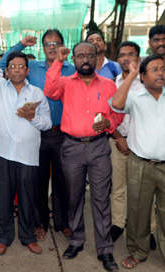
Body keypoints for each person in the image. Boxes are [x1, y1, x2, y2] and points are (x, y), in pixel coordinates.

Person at [44, 42, 123, 272]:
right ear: (75, 59)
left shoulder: (108, 85)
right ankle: (77, 241)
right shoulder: (66, 83)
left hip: (99, 148)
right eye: (80, 56)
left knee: (101, 200)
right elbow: (49, 91)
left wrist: (111, 123)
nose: (85, 59)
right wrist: (58, 61)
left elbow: (118, 112)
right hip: (72, 147)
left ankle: (105, 249)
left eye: (90, 55)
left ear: (97, 56)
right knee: (74, 197)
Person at [0, 12, 52, 255]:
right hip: (1, 152)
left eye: (21, 66)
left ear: (27, 70)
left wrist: (33, 117)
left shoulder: (37, 93)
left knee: (28, 199)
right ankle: (4, 237)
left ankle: (28, 237)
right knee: (3, 197)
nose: (17, 69)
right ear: (7, 70)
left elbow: (47, 125)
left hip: (27, 154)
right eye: (13, 66)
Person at [0, 30, 75, 241]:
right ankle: (40, 223)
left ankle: (62, 222)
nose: (52, 47)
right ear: (42, 47)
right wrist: (21, 44)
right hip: (37, 133)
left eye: (56, 43)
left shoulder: (71, 68)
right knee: (38, 181)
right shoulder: (33, 68)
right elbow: (6, 63)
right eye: (48, 43)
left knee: (62, 181)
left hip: (63, 133)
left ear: (63, 46)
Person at [110, 55, 165, 269]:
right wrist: (131, 75)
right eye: (154, 69)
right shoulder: (135, 96)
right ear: (143, 76)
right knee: (138, 211)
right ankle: (138, 252)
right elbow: (116, 104)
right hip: (140, 163)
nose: (160, 73)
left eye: (163, 68)